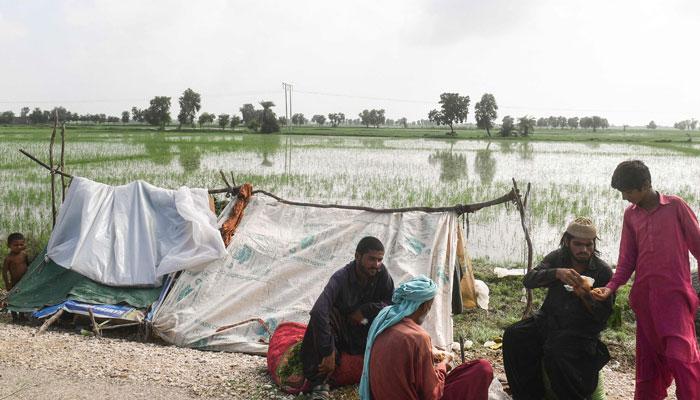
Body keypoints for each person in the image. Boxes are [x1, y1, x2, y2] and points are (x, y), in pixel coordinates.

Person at [591, 160, 700, 399]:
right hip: (645, 299)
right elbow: (627, 260)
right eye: (622, 192)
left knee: (681, 357)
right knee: (648, 363)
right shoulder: (631, 215)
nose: (624, 198)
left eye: (628, 192)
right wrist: (610, 288)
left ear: (646, 184)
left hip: (676, 297)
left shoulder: (676, 207)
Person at [503, 217, 614, 400]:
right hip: (548, 320)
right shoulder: (557, 258)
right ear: (567, 242)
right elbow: (529, 280)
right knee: (514, 335)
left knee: (556, 351)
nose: (584, 250)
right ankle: (528, 395)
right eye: (578, 244)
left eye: (589, 245)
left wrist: (585, 296)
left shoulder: (602, 271)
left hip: (581, 331)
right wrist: (557, 273)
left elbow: (603, 316)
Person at [360, 275, 493, 400]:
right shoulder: (418, 337)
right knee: (482, 367)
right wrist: (443, 365)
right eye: (430, 306)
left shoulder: (383, 319)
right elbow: (433, 394)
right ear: (424, 306)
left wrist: (428, 351)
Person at [300, 236, 394, 400]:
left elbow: (392, 303)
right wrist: (328, 351)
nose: (376, 264)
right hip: (342, 333)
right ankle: (320, 384)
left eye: (379, 259)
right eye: (371, 259)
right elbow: (318, 310)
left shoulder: (381, 273)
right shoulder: (341, 277)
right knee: (323, 317)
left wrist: (365, 310)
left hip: (368, 333)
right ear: (357, 256)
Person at [2, 233, 29, 322]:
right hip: (14, 282)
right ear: (9, 246)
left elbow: (28, 266)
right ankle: (15, 317)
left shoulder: (24, 255)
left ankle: (22, 316)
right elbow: (4, 272)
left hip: (24, 282)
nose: (19, 247)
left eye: (21, 244)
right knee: (12, 299)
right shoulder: (8, 259)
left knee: (22, 298)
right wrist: (7, 284)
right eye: (16, 245)